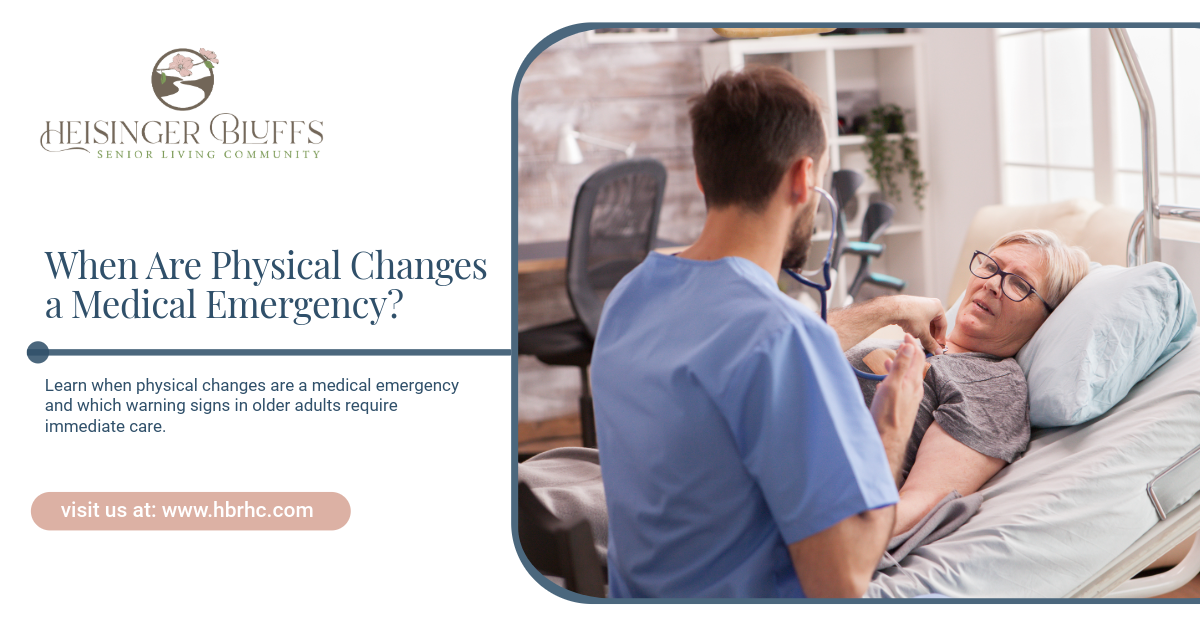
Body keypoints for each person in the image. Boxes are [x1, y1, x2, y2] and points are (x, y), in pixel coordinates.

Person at [590, 66, 946, 598]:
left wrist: (889, 309)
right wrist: (892, 422)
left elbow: (734, 342)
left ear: (701, 174)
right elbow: (842, 579)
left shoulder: (630, 294)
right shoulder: (785, 338)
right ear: (803, 178)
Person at [846, 229, 1090, 537]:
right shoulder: (920, 343)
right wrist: (892, 309)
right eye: (990, 266)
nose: (992, 284)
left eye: (1018, 283)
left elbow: (916, 507)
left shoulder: (994, 388)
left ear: (1045, 319)